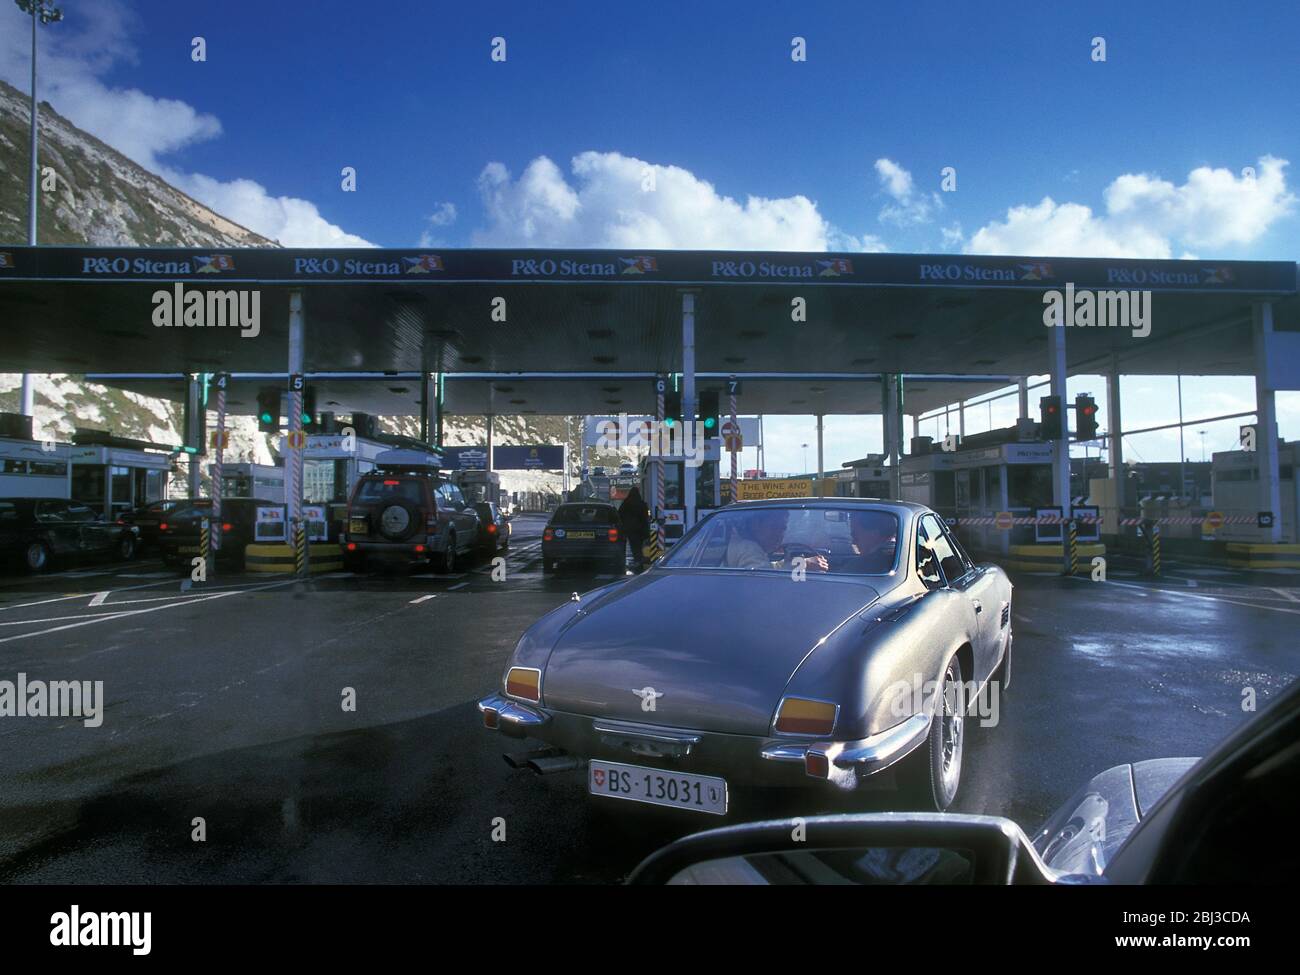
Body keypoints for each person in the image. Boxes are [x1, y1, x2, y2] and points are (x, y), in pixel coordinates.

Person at [724, 508, 828, 571]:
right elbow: (763, 580)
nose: (779, 534)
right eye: (774, 527)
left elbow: (767, 567)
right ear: (756, 525)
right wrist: (804, 564)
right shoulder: (748, 548)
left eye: (782, 529)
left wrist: (798, 562)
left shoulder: (740, 544)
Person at [835, 509, 898, 573]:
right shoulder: (904, 558)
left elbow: (836, 581)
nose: (853, 542)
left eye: (855, 536)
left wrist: (824, 572)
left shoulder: (860, 566)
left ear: (874, 534)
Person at [618, 487, 650, 568]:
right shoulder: (642, 504)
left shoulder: (626, 503)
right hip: (641, 529)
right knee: (639, 545)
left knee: (634, 545)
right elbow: (645, 516)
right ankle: (641, 559)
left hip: (630, 529)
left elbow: (620, 514)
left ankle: (637, 560)